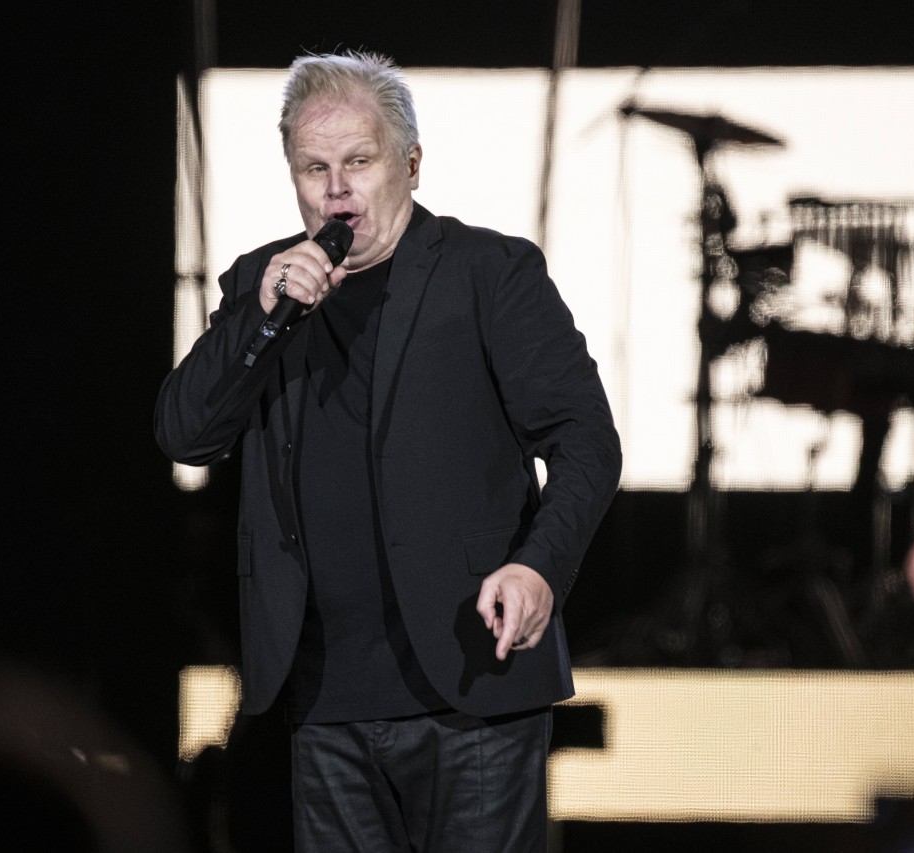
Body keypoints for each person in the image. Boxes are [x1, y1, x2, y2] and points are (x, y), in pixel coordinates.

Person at [155, 50, 621, 851]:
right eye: (314, 168)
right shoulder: (263, 288)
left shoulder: (487, 273)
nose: (336, 188)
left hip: (471, 688)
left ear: (409, 163)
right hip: (324, 700)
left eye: (358, 162)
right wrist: (258, 320)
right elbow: (184, 432)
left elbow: (586, 440)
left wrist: (539, 565)